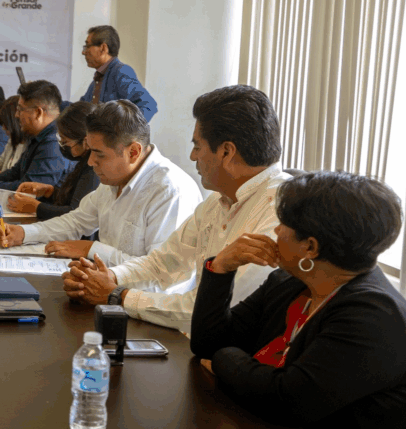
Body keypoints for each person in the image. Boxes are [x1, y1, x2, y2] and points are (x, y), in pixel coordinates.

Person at [190, 172, 406, 429]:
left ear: (310, 248)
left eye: (283, 225)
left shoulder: (373, 315)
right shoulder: (289, 282)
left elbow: (287, 400)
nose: (275, 231)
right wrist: (221, 267)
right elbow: (207, 343)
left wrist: (225, 360)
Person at [63, 85, 290, 331]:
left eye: (198, 146)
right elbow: (162, 263)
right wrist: (105, 278)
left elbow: (217, 310)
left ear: (226, 152)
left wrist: (117, 295)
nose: (192, 156)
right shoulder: (217, 201)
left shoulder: (282, 211)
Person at [0, 100, 201, 274]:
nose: (91, 161)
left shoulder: (170, 191)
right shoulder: (114, 180)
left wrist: (91, 249)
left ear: (133, 152)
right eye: (90, 151)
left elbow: (160, 272)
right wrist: (23, 233)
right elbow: (76, 221)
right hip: (111, 291)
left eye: (99, 154)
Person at [0, 80, 68, 192]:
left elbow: (30, 189)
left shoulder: (53, 143)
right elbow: (14, 173)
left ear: (38, 113)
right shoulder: (37, 138)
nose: (16, 115)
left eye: (20, 110)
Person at [5, 101, 99, 220]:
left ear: (85, 142)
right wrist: (50, 192)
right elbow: (73, 199)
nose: (62, 146)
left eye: (65, 142)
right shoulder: (82, 162)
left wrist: (36, 207)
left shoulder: (93, 167)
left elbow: (76, 214)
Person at [80, 25, 156, 121]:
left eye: (87, 46)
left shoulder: (120, 72)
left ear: (103, 48)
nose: (83, 52)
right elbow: (80, 110)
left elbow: (148, 105)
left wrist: (123, 129)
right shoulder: (98, 79)